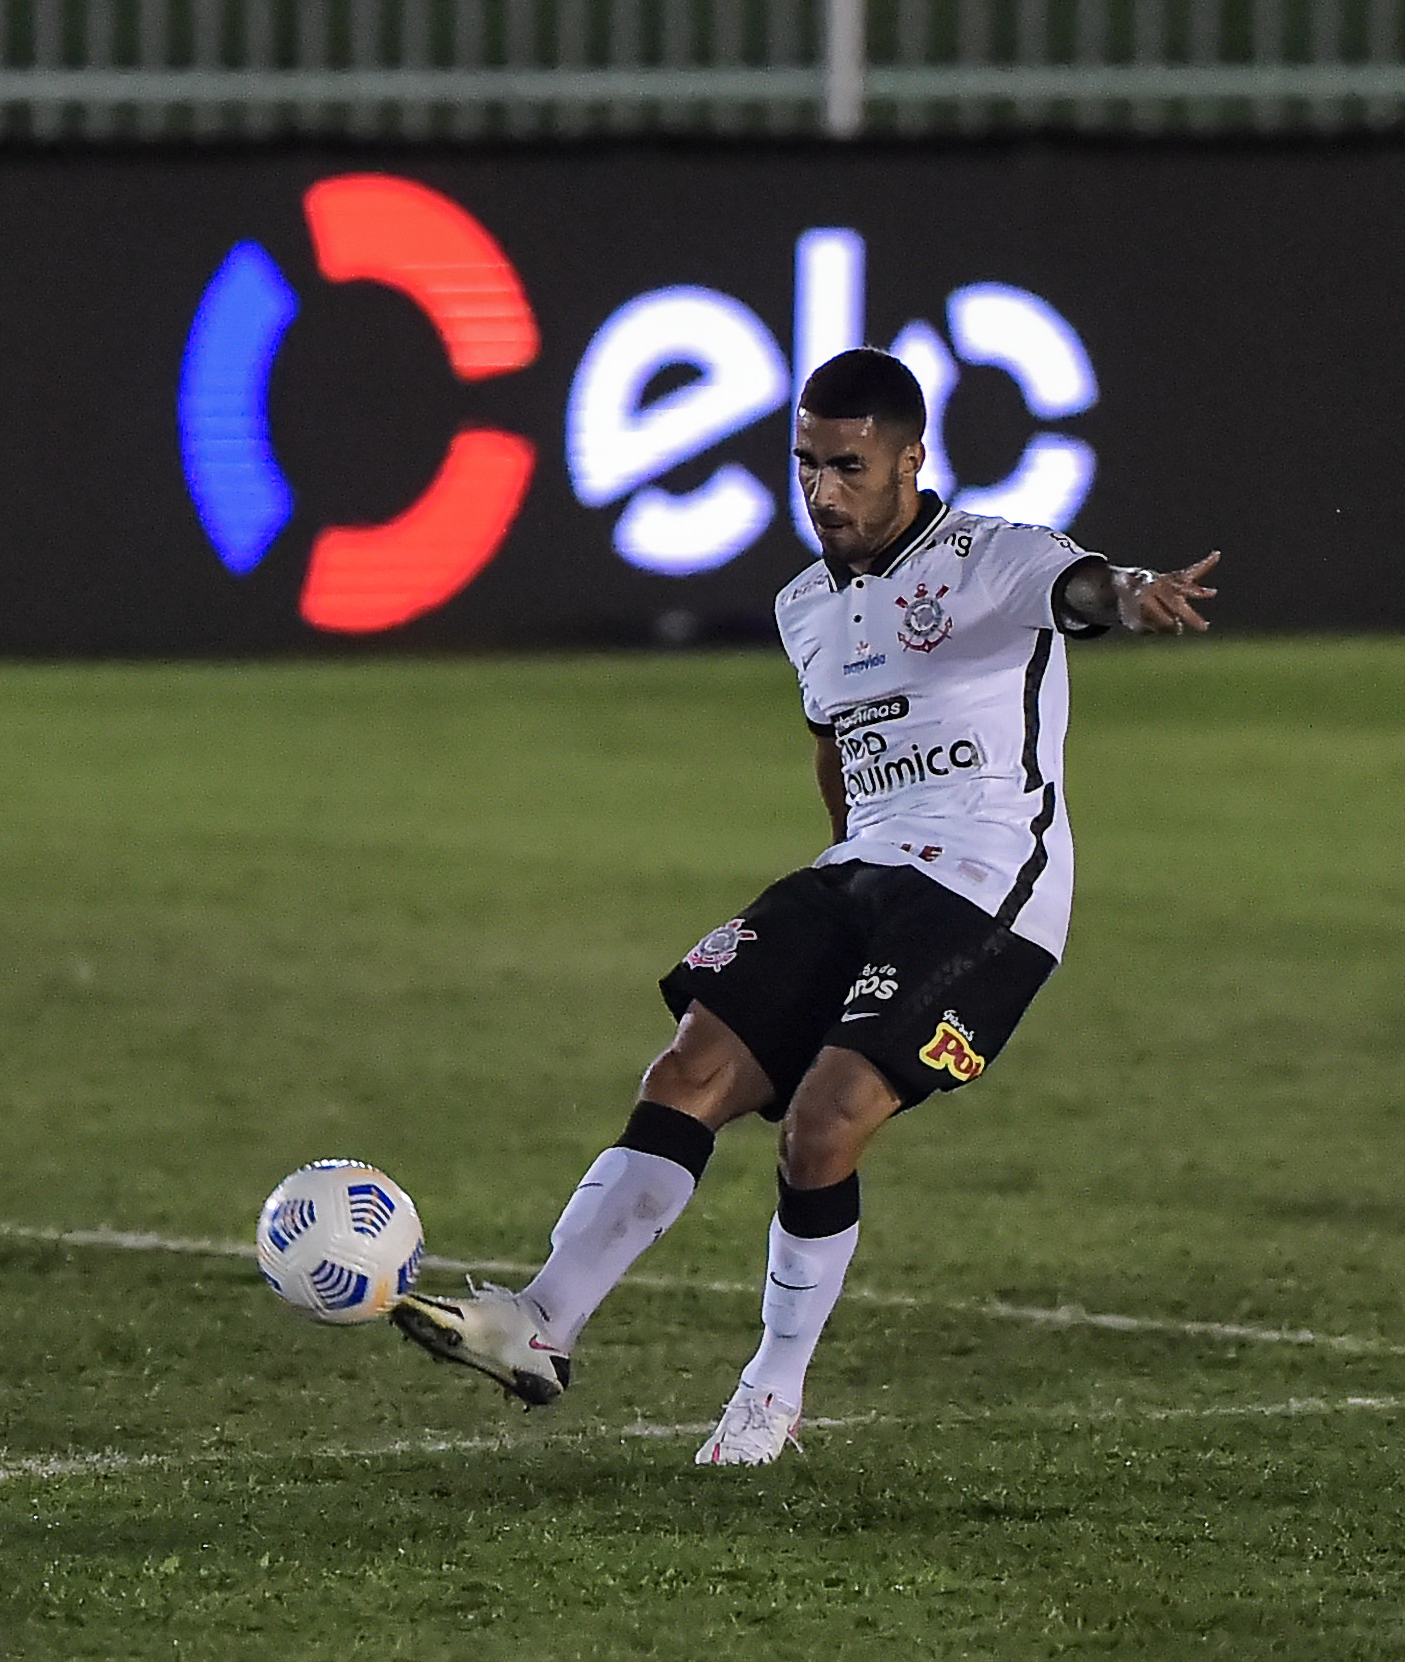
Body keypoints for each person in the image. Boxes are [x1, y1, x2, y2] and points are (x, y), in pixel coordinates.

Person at [392, 348, 1221, 1465]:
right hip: (862, 866)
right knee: (686, 1070)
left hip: (987, 882)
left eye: (848, 467)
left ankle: (771, 1390)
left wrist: (1133, 592)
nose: (823, 491)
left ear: (910, 460)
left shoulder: (991, 557)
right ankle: (541, 1320)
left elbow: (1085, 587)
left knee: (823, 1122)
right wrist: (836, 874)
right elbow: (835, 752)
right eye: (805, 464)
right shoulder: (803, 606)